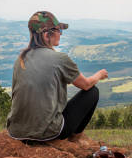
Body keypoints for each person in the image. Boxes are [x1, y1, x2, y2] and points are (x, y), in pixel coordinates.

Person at [6, 11, 108, 141]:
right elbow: (86, 85)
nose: (60, 34)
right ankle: (75, 139)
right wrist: (99, 75)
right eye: (59, 30)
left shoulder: (20, 59)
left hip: (16, 131)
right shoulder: (60, 59)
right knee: (93, 92)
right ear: (47, 34)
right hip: (48, 132)